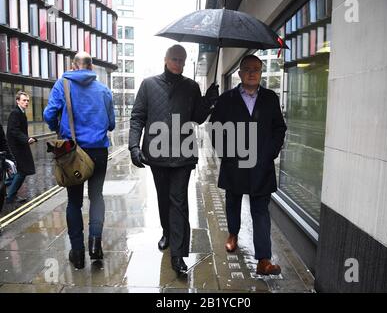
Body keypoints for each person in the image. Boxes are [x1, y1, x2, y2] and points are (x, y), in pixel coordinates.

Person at [129, 44, 218, 274]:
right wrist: (133, 147)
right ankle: (167, 232)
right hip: (156, 155)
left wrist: (208, 101)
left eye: (183, 60)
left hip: (183, 154)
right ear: (166, 59)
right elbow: (138, 116)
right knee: (163, 198)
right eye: (176, 59)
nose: (179, 63)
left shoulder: (191, 86)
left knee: (178, 201)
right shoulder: (148, 84)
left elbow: (197, 118)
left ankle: (178, 255)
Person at [209, 54, 287, 275]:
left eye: (257, 69)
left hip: (261, 165)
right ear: (240, 73)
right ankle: (233, 234)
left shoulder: (270, 98)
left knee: (260, 211)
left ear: (261, 73)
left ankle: (263, 259)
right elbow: (215, 127)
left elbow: (279, 128)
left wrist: (269, 153)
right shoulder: (226, 98)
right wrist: (227, 153)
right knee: (232, 201)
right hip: (235, 163)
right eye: (248, 69)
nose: (252, 72)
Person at [44, 51, 115, 269]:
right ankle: (95, 244)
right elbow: (111, 124)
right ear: (91, 68)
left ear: (73, 66)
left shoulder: (62, 84)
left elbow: (49, 114)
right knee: (97, 197)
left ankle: (77, 253)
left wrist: (59, 129)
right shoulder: (103, 90)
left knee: (74, 201)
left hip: (72, 153)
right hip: (98, 152)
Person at [6, 91, 36, 203]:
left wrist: (27, 138)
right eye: (24, 100)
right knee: (22, 171)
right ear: (17, 101)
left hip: (20, 146)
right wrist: (26, 139)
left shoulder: (21, 112)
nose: (26, 102)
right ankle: (10, 196)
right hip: (16, 148)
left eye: (28, 100)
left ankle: (8, 190)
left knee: (22, 171)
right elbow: (14, 131)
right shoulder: (15, 113)